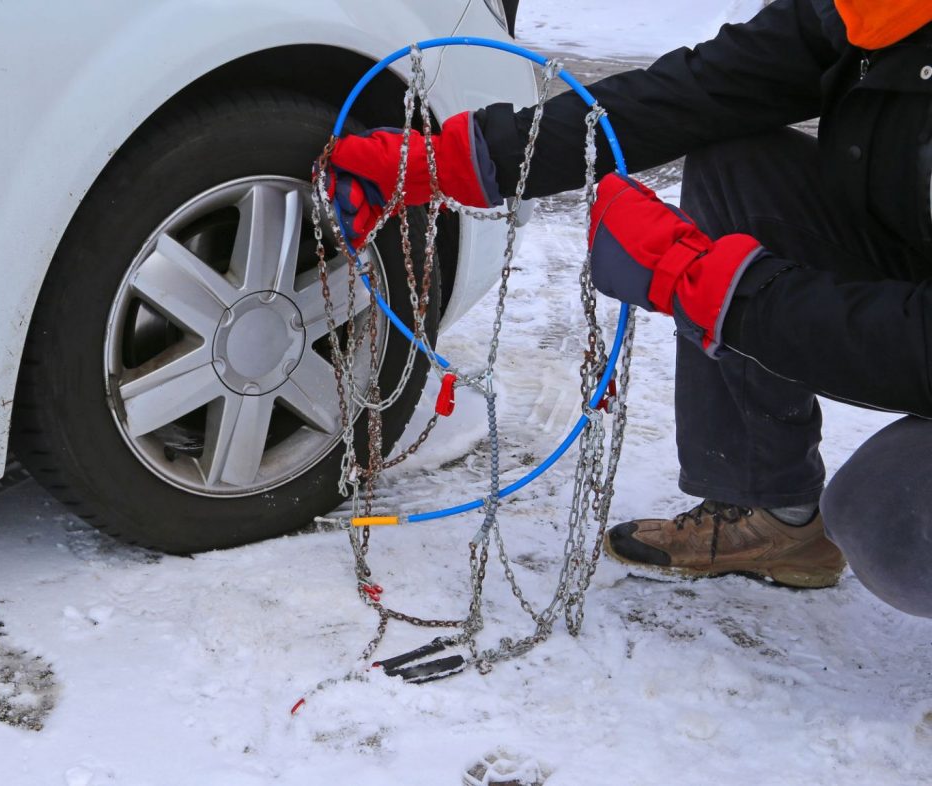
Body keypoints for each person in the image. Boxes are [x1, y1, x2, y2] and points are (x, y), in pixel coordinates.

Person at [322, 0, 932, 617]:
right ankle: (772, 514)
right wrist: (466, 160)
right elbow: (698, 92)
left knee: (893, 523)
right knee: (735, 168)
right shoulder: (872, 11)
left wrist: (716, 289)